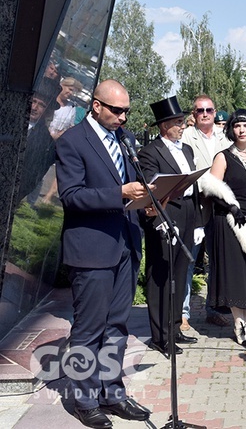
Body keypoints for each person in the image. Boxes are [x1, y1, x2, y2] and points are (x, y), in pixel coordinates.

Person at [56, 80, 152, 428]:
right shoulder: (72, 141)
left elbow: (130, 190)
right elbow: (72, 195)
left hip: (125, 244)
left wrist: (147, 204)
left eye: (127, 110)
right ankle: (83, 400)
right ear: (96, 106)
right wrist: (119, 192)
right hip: (91, 250)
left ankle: (112, 393)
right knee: (87, 331)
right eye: (116, 110)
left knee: (116, 327)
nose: (123, 117)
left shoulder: (123, 140)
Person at [200, 110, 246, 346]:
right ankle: (239, 325)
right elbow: (211, 188)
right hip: (231, 223)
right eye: (238, 126)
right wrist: (230, 207)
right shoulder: (224, 157)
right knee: (235, 276)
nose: (242, 130)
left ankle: (245, 320)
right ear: (231, 129)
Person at [137, 96, 200, 357]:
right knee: (162, 275)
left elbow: (193, 187)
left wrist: (197, 222)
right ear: (164, 126)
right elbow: (152, 187)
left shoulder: (186, 150)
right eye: (178, 122)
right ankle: (160, 336)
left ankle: (174, 327)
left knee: (181, 271)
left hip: (186, 211)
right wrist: (161, 219)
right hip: (164, 214)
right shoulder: (150, 152)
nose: (183, 125)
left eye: (183, 121)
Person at [181, 94, 232, 328]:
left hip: (220, 209)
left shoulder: (225, 137)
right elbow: (186, 170)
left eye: (208, 110)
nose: (204, 114)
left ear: (214, 112)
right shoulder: (186, 137)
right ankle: (183, 313)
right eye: (199, 110)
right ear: (194, 114)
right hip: (196, 206)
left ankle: (213, 308)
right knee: (189, 259)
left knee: (218, 261)